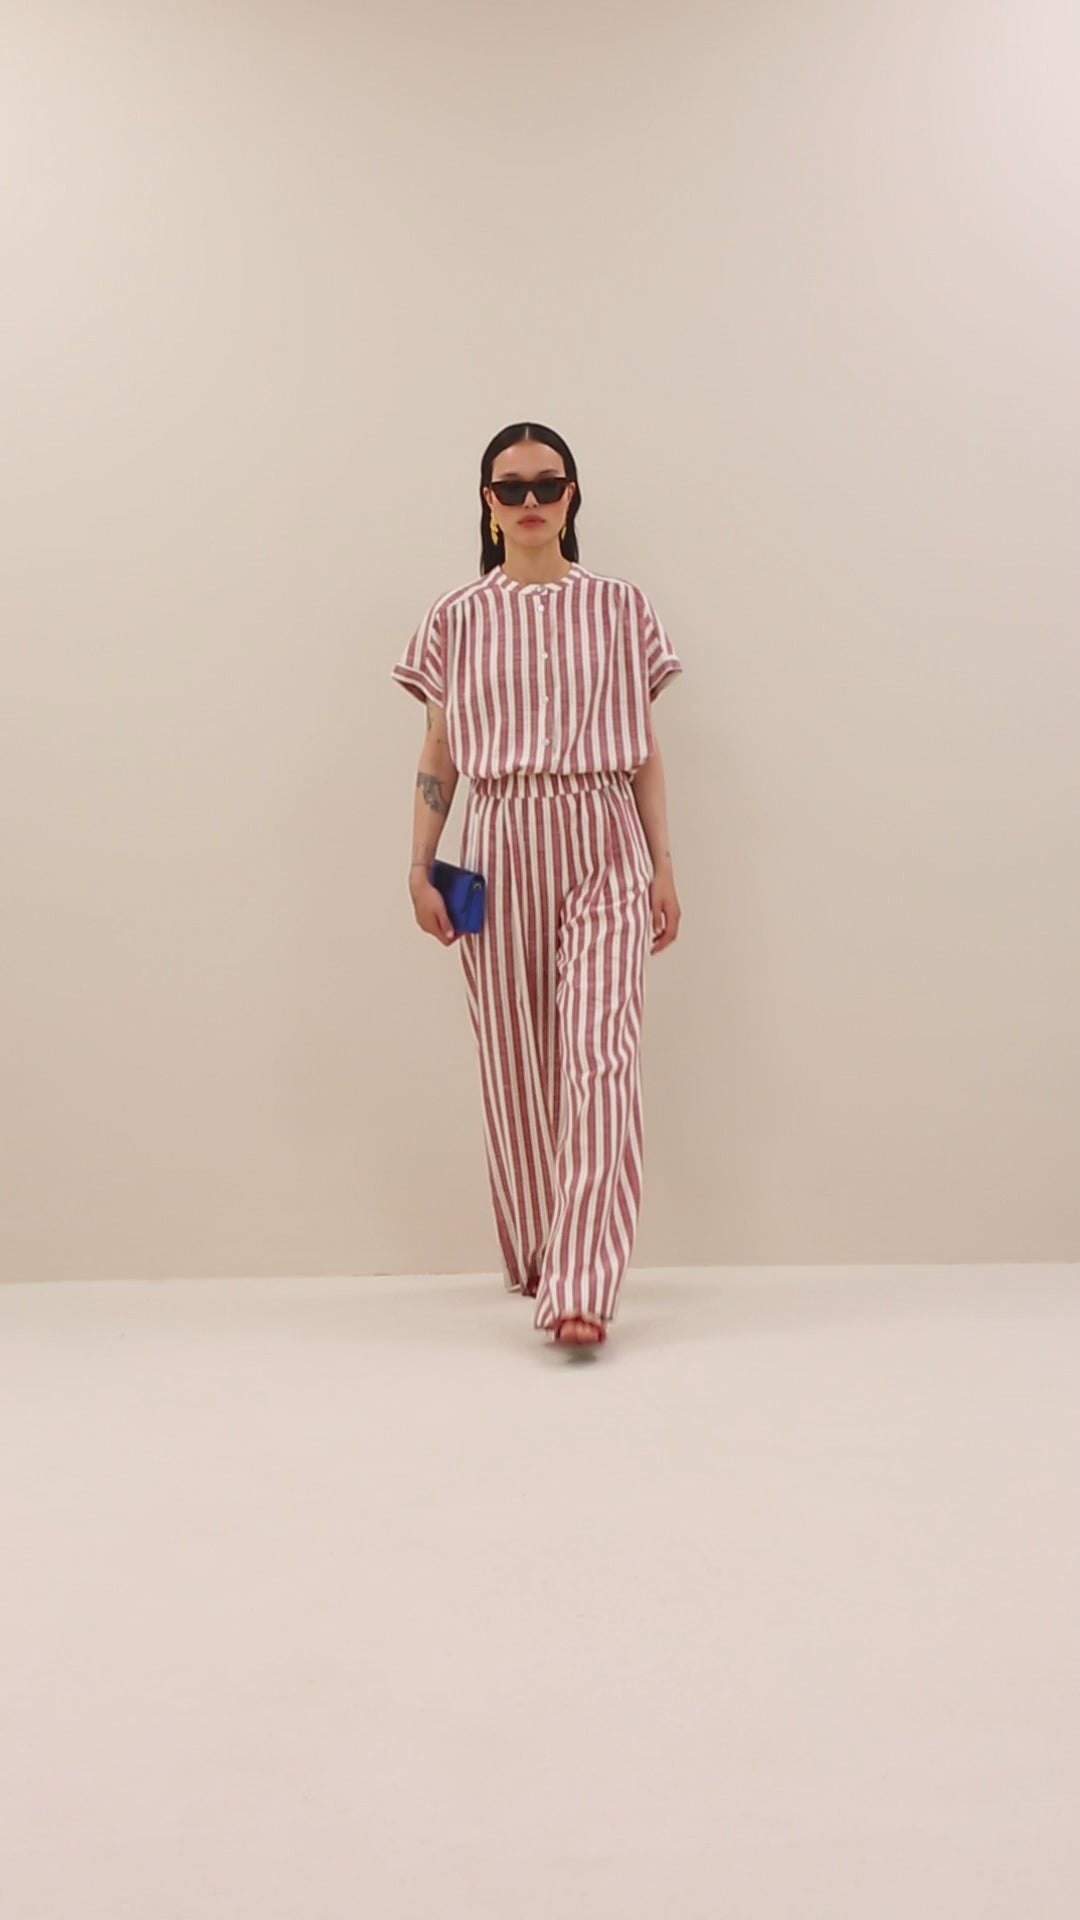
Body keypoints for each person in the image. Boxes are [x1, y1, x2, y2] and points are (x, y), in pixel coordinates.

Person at [392, 421, 682, 1350]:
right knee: (517, 1068)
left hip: (604, 839)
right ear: (487, 502)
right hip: (499, 838)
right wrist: (420, 864)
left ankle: (582, 1284)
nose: (529, 502)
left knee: (603, 1058)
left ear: (572, 496)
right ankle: (541, 1254)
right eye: (510, 487)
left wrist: (663, 867)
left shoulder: (622, 607)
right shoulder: (455, 616)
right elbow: (439, 749)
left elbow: (643, 749)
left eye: (546, 485)